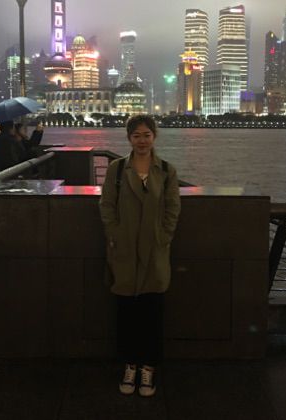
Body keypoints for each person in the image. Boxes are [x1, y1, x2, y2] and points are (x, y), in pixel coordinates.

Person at [99, 115, 181, 397]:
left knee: (152, 313)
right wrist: (115, 234)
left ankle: (148, 367)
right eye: (136, 135)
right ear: (129, 138)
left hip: (155, 252)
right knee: (126, 313)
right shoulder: (117, 170)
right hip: (124, 252)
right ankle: (129, 365)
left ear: (154, 136)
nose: (142, 140)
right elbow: (106, 205)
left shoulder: (167, 170)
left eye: (146, 135)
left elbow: (173, 208)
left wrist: (163, 237)